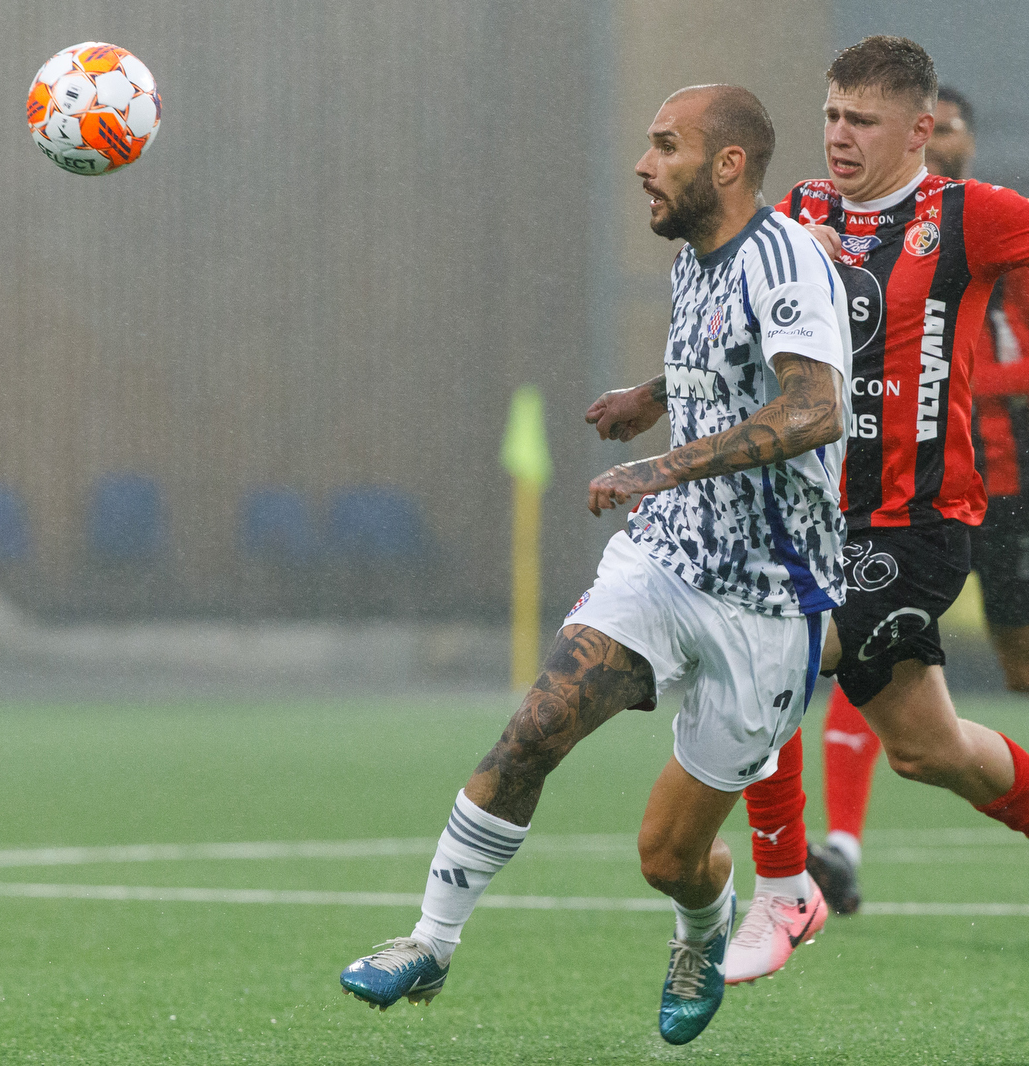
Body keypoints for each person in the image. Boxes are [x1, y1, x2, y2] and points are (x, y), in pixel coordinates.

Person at [339, 84, 852, 1046]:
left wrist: (661, 462)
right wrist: (656, 396)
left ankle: (700, 928)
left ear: (728, 163)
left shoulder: (787, 258)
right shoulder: (698, 261)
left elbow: (814, 409)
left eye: (666, 146)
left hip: (770, 604)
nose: (642, 164)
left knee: (667, 858)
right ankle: (430, 941)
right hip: (665, 563)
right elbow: (730, 356)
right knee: (534, 726)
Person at [723, 37, 1029, 985]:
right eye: (830, 115)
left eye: (861, 121)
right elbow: (740, 319)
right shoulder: (800, 211)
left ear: (919, 131)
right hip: (825, 515)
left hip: (918, 523)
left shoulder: (967, 217)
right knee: (928, 749)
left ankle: (784, 890)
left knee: (771, 653)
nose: (838, 136)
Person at [801, 84, 1029, 930]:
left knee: (1024, 663)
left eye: (954, 131)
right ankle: (832, 852)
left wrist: (962, 381)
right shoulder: (851, 222)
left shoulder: (985, 229)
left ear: (959, 141)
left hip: (1010, 480)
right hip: (899, 489)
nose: (944, 145)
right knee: (859, 642)